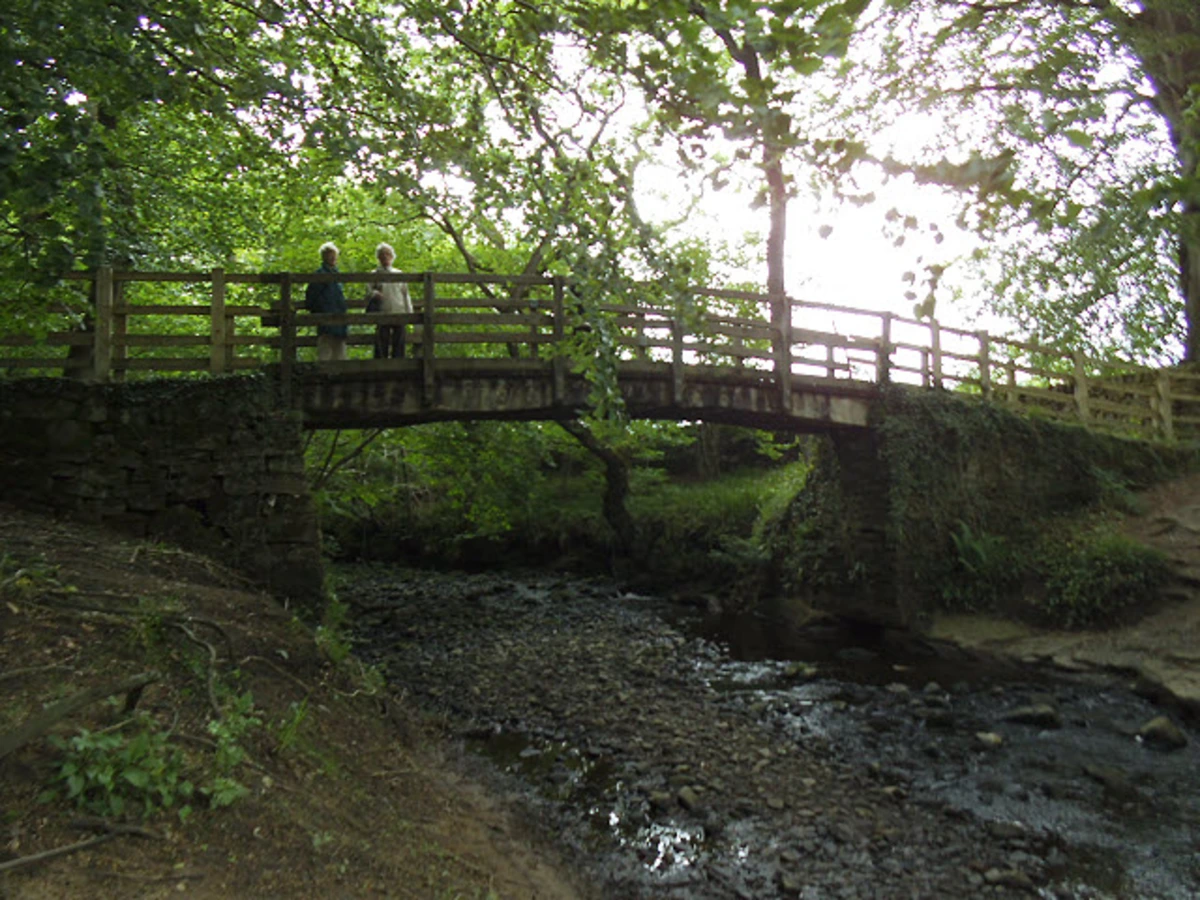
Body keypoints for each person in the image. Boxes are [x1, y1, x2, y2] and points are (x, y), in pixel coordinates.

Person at [365, 242, 412, 358]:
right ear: (378, 257)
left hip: (398, 310)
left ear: (392, 256)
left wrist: (409, 312)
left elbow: (405, 293)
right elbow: (368, 291)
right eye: (382, 255)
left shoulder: (399, 274)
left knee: (399, 340)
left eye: (387, 254)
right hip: (382, 311)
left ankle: (399, 365)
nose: (385, 257)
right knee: (382, 339)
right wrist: (375, 293)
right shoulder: (375, 274)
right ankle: (380, 366)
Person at [304, 242, 348, 361]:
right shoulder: (319, 275)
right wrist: (319, 312)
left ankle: (340, 374)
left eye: (334, 255)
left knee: (340, 348)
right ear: (324, 257)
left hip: (339, 317)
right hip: (325, 316)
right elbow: (311, 297)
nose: (333, 257)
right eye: (329, 255)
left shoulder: (337, 274)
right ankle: (324, 375)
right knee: (325, 348)